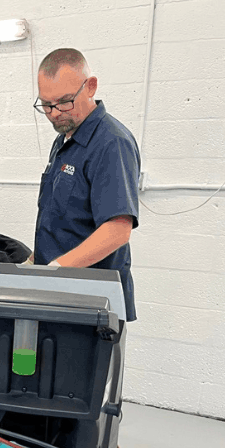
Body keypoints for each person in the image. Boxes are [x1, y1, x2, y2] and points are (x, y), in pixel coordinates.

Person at [28, 48, 140, 322]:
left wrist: (56, 270)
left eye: (64, 102)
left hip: (91, 304)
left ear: (90, 87)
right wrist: (31, 264)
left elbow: (117, 231)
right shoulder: (65, 138)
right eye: (46, 104)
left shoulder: (111, 143)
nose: (54, 113)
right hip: (56, 292)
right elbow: (62, 220)